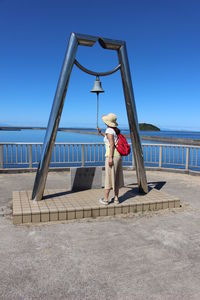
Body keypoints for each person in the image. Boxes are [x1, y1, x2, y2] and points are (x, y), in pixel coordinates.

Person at [97, 113, 124, 205]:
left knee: (108, 177)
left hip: (112, 156)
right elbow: (109, 139)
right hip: (118, 156)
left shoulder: (109, 130)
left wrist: (110, 158)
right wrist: (101, 133)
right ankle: (116, 199)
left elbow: (111, 145)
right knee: (115, 177)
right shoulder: (114, 130)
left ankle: (106, 199)